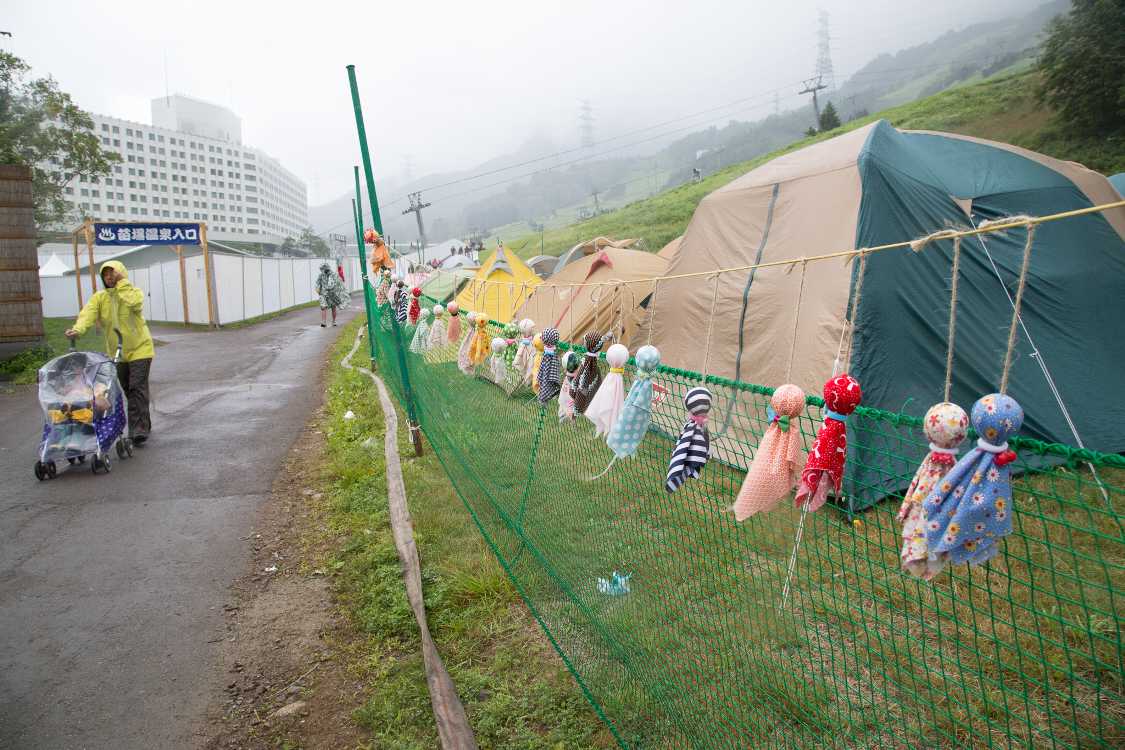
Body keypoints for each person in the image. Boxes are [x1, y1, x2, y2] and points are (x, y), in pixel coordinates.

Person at [65, 260, 154, 445]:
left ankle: (138, 430)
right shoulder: (100, 298)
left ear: (121, 273)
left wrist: (122, 284)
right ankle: (143, 421)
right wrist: (78, 330)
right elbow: (87, 314)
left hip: (141, 349)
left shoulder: (132, 292)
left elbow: (135, 303)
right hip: (118, 352)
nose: (109, 277)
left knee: (137, 387)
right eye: (105, 274)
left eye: (112, 273)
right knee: (129, 389)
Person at [316, 262, 348, 327]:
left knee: (333, 307)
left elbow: (338, 283)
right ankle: (324, 322)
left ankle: (334, 321)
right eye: (322, 269)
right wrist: (318, 289)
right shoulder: (321, 275)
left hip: (332, 294)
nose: (323, 271)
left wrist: (338, 292)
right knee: (323, 307)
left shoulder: (333, 275)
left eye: (324, 269)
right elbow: (318, 283)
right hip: (323, 294)